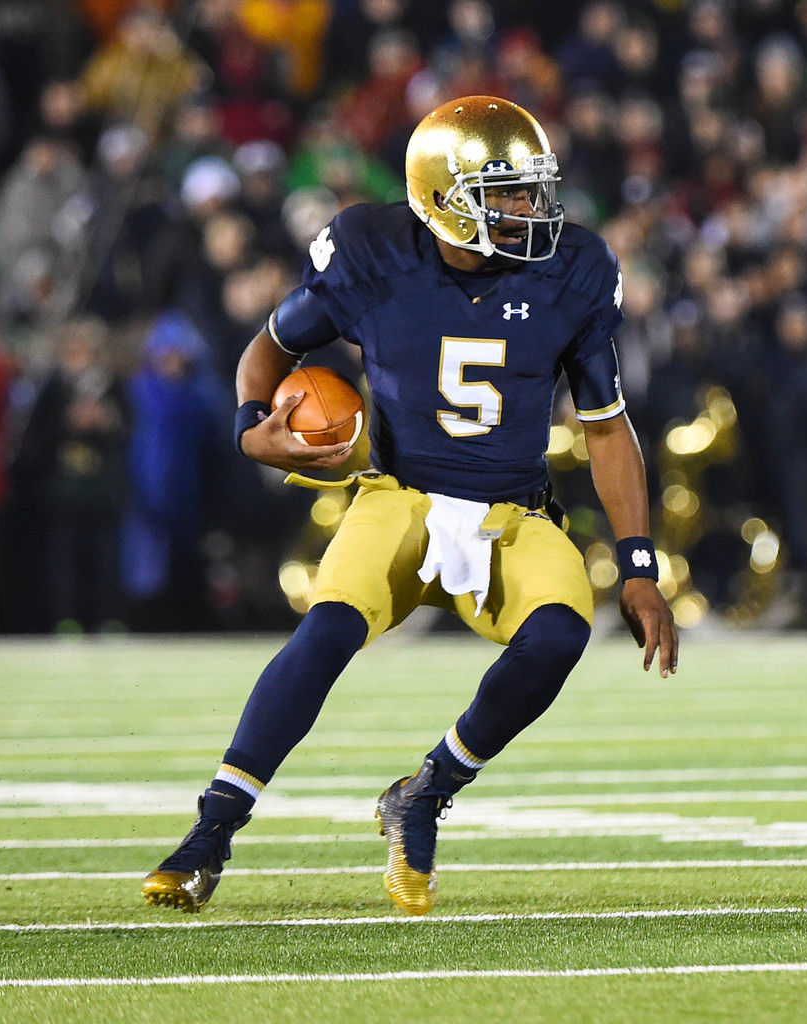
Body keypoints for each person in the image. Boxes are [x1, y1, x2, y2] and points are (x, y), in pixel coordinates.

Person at [142, 95, 678, 916]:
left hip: (512, 511)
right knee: (325, 630)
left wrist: (639, 564)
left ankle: (427, 789)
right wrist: (255, 431)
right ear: (440, 198)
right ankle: (213, 827)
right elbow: (269, 349)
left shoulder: (572, 268)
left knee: (561, 633)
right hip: (399, 496)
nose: (528, 210)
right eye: (502, 194)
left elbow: (607, 430)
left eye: (531, 190)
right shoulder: (371, 251)